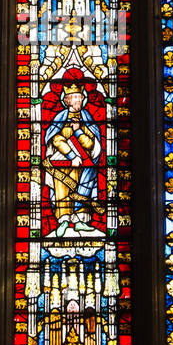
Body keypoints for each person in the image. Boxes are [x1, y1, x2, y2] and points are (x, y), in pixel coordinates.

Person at [43, 74, 102, 236]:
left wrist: (78, 130)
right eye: (75, 97)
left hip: (83, 163)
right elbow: (55, 139)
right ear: (67, 100)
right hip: (61, 162)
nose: (79, 100)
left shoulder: (87, 119)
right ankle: (63, 221)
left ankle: (80, 221)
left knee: (82, 188)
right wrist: (71, 156)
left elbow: (91, 143)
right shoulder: (60, 118)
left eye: (81, 97)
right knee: (62, 191)